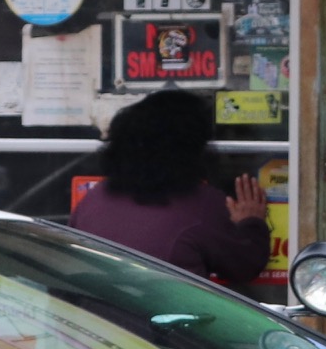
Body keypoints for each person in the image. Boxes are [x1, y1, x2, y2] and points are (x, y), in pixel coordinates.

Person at [72, 89, 271, 289]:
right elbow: (244, 266)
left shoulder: (94, 199)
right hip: (166, 316)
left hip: (92, 316)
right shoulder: (201, 205)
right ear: (191, 149)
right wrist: (251, 222)